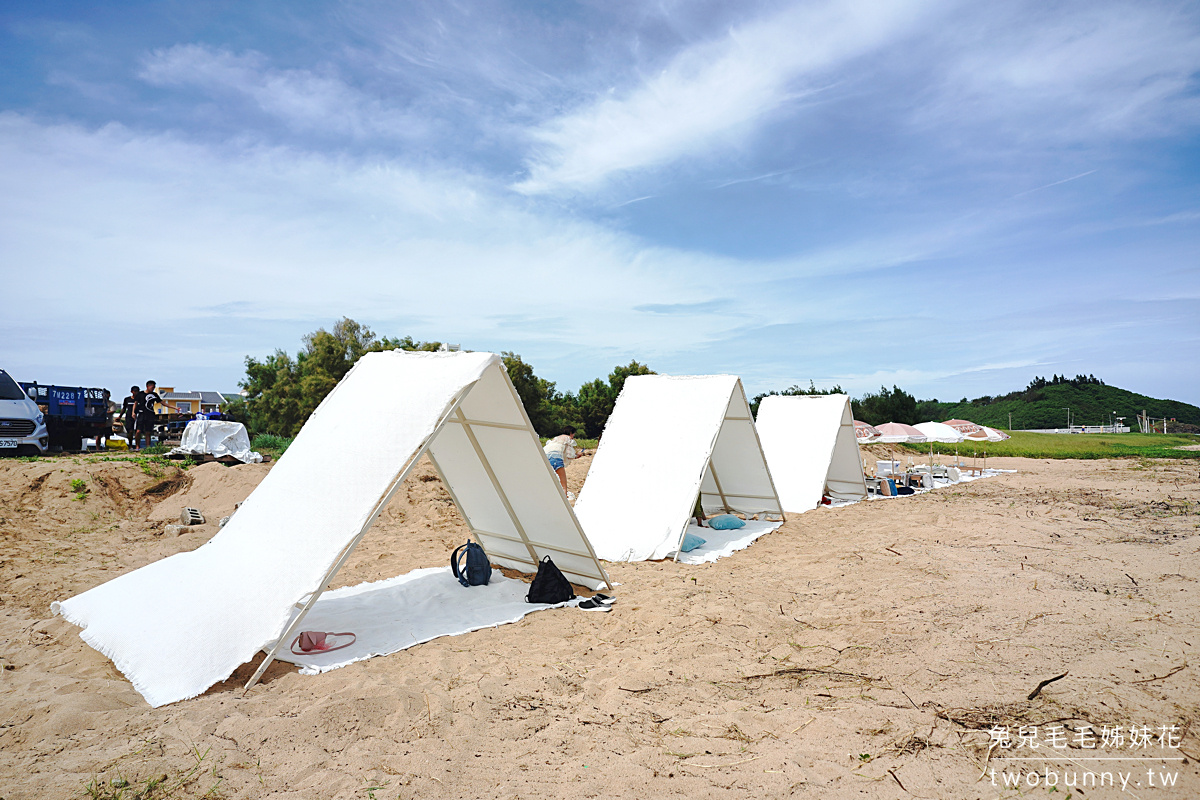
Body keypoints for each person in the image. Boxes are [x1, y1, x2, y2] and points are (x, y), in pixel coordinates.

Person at [134, 380, 183, 450]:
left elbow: (162, 403)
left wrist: (175, 407)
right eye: (152, 387)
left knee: (148, 432)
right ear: (147, 386)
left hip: (150, 414)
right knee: (138, 431)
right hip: (141, 414)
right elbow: (135, 403)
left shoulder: (154, 395)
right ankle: (137, 446)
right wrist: (133, 412)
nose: (153, 389)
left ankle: (148, 447)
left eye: (154, 387)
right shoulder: (140, 394)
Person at [543, 426, 580, 499]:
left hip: (545, 458)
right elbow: (570, 455)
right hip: (556, 458)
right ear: (571, 433)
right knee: (563, 486)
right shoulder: (568, 438)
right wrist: (577, 455)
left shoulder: (555, 438)